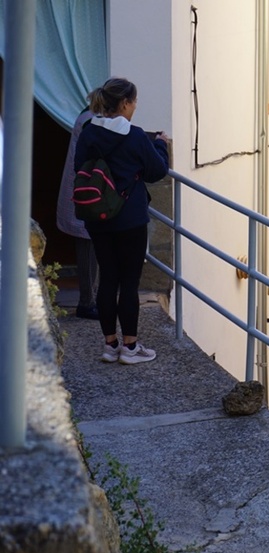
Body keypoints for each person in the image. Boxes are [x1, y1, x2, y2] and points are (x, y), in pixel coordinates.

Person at [74, 77, 170, 364]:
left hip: (98, 216)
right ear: (125, 103)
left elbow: (80, 167)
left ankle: (110, 345)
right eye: (134, 102)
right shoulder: (136, 135)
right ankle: (130, 348)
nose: (135, 107)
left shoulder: (89, 131)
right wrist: (161, 145)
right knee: (129, 283)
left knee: (108, 279)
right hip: (130, 218)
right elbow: (157, 171)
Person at [56, 108, 100, 320]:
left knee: (90, 251)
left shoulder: (88, 117)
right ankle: (87, 303)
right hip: (85, 195)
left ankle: (90, 300)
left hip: (84, 194)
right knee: (87, 252)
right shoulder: (91, 122)